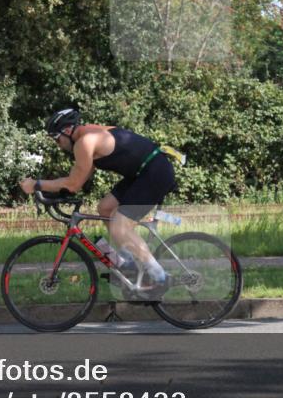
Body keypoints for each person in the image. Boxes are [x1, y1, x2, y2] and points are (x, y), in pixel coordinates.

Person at [18, 108, 176, 294]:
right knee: (105, 208)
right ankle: (129, 267)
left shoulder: (85, 142)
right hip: (143, 172)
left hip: (154, 173)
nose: (58, 145)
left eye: (57, 139)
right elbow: (80, 179)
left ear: (67, 131)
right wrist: (58, 191)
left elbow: (73, 184)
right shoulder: (90, 133)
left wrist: (36, 184)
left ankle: (160, 278)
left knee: (120, 227)